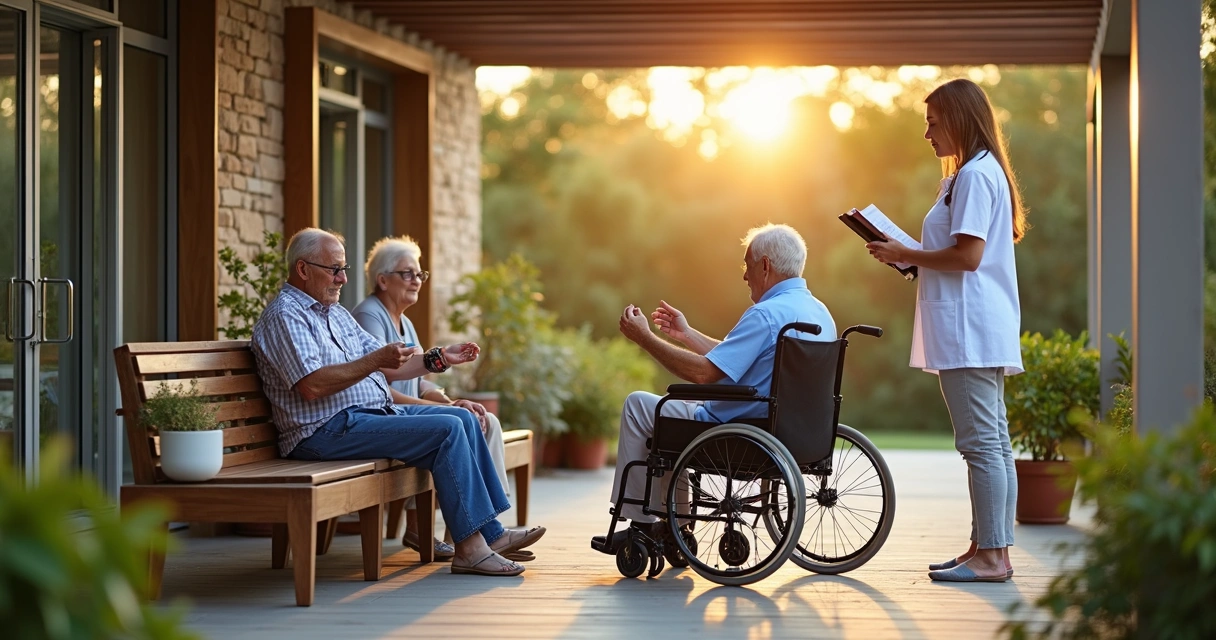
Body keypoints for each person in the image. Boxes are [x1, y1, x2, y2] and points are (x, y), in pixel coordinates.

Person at [251, 228, 544, 577]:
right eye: (335, 270)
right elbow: (312, 385)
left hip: (364, 418)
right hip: (323, 431)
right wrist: (374, 361)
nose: (343, 279)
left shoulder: (334, 313)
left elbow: (392, 362)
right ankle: (470, 550)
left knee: (462, 418)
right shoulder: (286, 316)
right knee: (449, 427)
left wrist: (440, 358)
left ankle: (490, 535)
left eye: (344, 269)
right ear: (303, 269)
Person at [866, 78, 1025, 583]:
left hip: (968, 328)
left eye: (933, 122)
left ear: (958, 119)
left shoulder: (975, 176)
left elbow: (968, 256)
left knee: (981, 445)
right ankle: (988, 548)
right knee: (993, 442)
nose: (927, 133)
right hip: (976, 323)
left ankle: (992, 557)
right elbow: (959, 255)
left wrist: (907, 252)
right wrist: (909, 258)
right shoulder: (972, 174)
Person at [593, 223, 836, 548]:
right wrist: (687, 334)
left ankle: (642, 524)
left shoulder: (765, 314)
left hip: (737, 429)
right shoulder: (818, 312)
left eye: (747, 265)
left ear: (765, 266)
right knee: (669, 416)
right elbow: (739, 360)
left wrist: (645, 338)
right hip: (795, 432)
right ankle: (676, 528)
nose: (745, 275)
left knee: (640, 406)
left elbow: (704, 375)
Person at [351, 235, 515, 561]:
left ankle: (478, 532)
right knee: (451, 425)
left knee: (485, 420)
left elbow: (418, 380)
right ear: (382, 280)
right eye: (407, 273)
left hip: (401, 414)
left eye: (419, 274)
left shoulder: (405, 322)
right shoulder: (369, 316)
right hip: (382, 415)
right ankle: (478, 533)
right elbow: (381, 387)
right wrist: (446, 409)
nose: (416, 280)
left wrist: (446, 400)